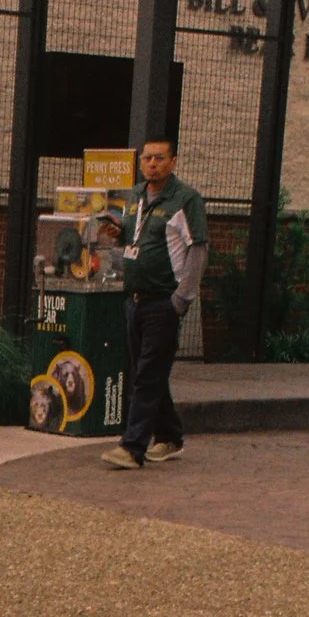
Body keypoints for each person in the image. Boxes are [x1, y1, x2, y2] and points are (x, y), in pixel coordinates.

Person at [102, 139, 207, 470]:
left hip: (163, 302)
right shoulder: (134, 196)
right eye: (146, 158)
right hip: (134, 300)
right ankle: (170, 435)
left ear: (172, 162)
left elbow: (198, 250)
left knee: (147, 375)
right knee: (148, 373)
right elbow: (136, 238)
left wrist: (181, 300)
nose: (152, 164)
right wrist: (117, 234)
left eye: (159, 158)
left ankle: (132, 446)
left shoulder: (184, 199)